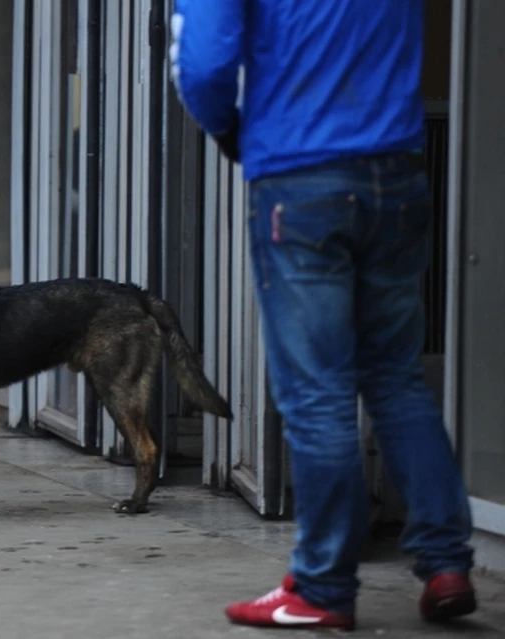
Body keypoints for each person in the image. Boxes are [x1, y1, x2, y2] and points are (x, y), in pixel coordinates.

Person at [169, 0, 475, 631]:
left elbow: (201, 66)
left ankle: (323, 586)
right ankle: (447, 564)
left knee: (317, 394)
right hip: (397, 171)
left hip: (301, 175)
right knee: (395, 378)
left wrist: (231, 131)